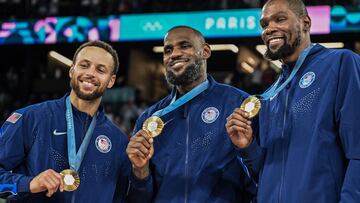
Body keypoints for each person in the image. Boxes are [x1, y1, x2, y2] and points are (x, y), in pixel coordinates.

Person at [226, 0, 360, 202]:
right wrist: (247, 148)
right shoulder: (268, 96)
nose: (270, 29)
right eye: (265, 25)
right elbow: (263, 176)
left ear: (305, 22)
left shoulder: (340, 63)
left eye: (280, 19)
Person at [0, 40, 151, 202]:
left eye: (100, 69)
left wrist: (141, 171)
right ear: (72, 70)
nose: (90, 73)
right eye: (84, 65)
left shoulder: (118, 140)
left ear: (111, 80)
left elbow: (132, 199)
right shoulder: (31, 118)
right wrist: (28, 184)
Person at [126, 26, 256, 202]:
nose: (174, 54)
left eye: (184, 46)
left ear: (205, 51)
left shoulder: (238, 104)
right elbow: (139, 198)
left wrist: (248, 150)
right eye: (168, 50)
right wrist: (139, 172)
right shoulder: (150, 119)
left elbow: (261, 179)